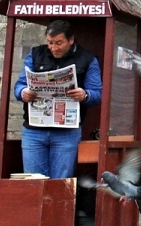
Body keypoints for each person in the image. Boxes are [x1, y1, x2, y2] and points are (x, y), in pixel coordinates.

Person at [14, 19, 102, 178]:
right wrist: (23, 92)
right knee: (33, 182)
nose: (53, 48)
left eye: (59, 43)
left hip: (67, 132)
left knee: (61, 182)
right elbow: (19, 85)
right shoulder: (35, 54)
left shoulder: (87, 59)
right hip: (34, 130)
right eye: (50, 43)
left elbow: (96, 94)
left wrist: (84, 95)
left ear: (71, 40)